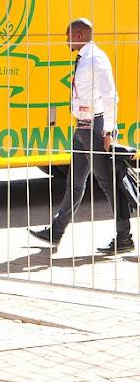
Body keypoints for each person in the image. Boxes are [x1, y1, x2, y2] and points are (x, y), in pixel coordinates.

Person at [30, 18, 133, 254]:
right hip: (82, 127)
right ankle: (56, 231)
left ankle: (124, 236)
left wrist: (107, 131)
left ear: (78, 36)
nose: (66, 41)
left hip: (94, 128)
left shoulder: (96, 59)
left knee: (107, 183)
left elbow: (110, 97)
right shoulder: (86, 58)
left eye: (68, 36)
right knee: (74, 182)